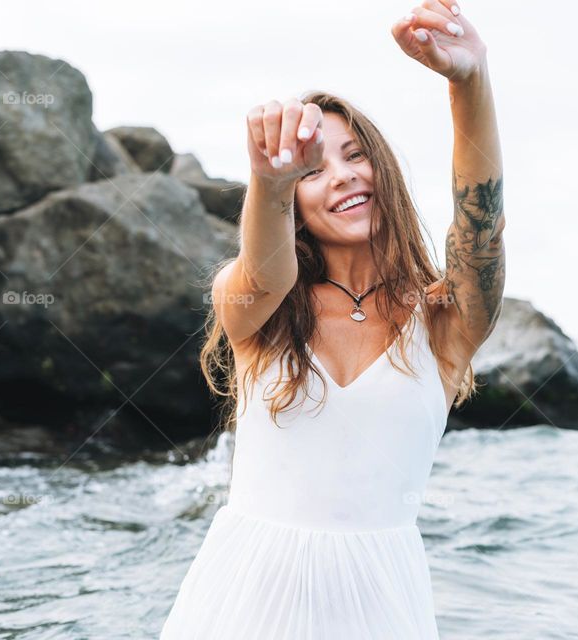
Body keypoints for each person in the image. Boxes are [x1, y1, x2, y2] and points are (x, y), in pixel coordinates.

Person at [161, 2, 504, 637]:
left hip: (382, 610)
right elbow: (264, 272)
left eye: (355, 155)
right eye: (315, 169)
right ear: (296, 200)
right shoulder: (260, 314)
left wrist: (469, 81)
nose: (343, 177)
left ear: (383, 167)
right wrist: (270, 179)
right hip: (243, 605)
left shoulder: (442, 323)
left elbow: (479, 233)